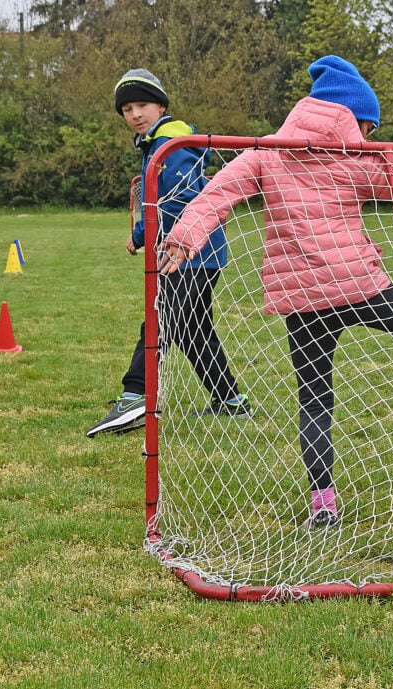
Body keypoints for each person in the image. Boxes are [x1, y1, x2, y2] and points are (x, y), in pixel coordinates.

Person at [158, 55, 393, 528]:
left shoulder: (262, 154)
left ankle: (323, 505)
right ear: (350, 118)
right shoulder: (356, 160)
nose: (369, 138)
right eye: (368, 127)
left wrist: (185, 236)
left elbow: (215, 195)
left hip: (303, 300)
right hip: (361, 285)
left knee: (314, 398)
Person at [86, 68, 251, 438]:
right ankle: (229, 398)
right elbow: (155, 200)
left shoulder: (171, 142)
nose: (135, 115)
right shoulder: (156, 143)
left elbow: (176, 201)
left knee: (160, 316)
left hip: (191, 251)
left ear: (161, 105)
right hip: (195, 252)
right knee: (193, 328)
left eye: (142, 105)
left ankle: (134, 396)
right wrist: (142, 234)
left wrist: (149, 233)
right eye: (127, 109)